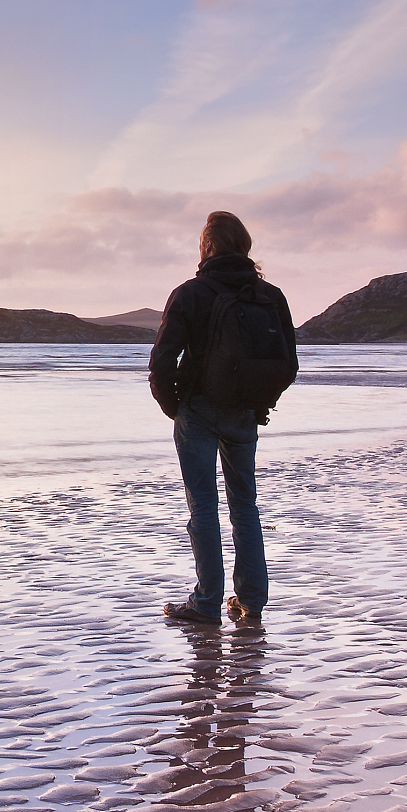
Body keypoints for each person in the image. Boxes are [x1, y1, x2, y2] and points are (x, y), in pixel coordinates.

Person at [148, 211, 295, 627]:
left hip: (198, 410)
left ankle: (207, 602)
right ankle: (251, 600)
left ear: (207, 247)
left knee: (203, 507)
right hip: (245, 413)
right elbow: (289, 364)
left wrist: (175, 407)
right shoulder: (271, 296)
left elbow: (160, 362)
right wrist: (258, 401)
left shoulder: (191, 293)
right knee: (245, 506)